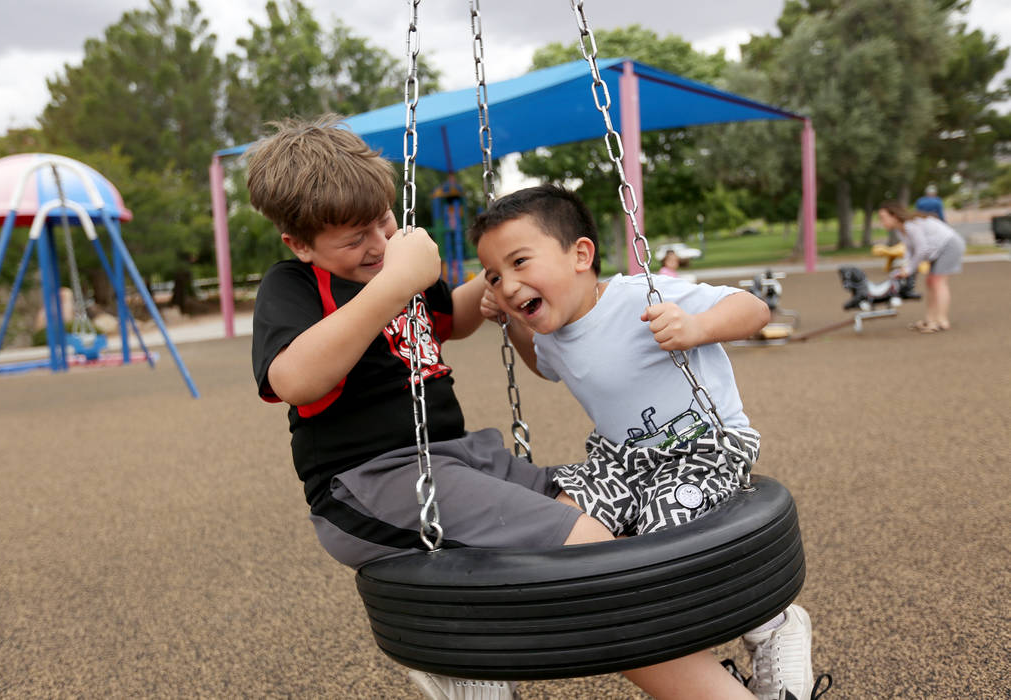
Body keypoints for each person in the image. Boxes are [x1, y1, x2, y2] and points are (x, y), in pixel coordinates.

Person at [247, 116, 759, 700]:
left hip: (462, 458)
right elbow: (294, 379)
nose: (379, 244)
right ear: (301, 244)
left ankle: (471, 659)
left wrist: (503, 276)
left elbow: (457, 318)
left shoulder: (395, 265)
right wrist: (392, 285)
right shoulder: (293, 286)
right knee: (586, 550)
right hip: (373, 480)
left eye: (383, 221)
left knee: (604, 511)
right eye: (354, 238)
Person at [471, 184, 817, 700]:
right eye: (495, 277)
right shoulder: (548, 329)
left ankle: (774, 625)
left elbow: (753, 310)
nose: (507, 284)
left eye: (520, 262)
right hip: (621, 459)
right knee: (561, 522)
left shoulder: (641, 295)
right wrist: (513, 326)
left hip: (700, 444)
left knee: (661, 539)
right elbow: (541, 366)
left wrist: (697, 326)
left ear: (581, 255)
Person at [878, 200, 965, 333]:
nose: (881, 222)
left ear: (894, 216)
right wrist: (905, 266)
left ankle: (941, 321)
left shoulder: (911, 225)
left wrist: (909, 269)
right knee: (930, 281)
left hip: (949, 245)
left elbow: (921, 249)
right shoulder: (900, 230)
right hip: (937, 249)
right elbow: (909, 250)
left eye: (883, 218)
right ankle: (930, 319)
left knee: (938, 282)